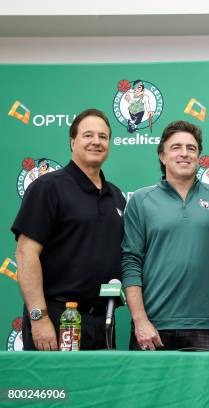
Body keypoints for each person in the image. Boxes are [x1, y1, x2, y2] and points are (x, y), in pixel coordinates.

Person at [122, 120, 209, 351]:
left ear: (199, 156)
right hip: (153, 327)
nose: (184, 154)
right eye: (176, 147)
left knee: (202, 389)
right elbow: (131, 263)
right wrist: (140, 321)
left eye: (191, 148)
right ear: (162, 156)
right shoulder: (141, 200)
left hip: (206, 326)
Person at [12, 108, 125, 351]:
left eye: (103, 136)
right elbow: (25, 254)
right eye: (88, 135)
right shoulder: (47, 187)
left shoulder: (116, 196)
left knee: (99, 389)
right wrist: (39, 318)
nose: (96, 141)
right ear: (72, 141)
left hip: (102, 321)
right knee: (55, 388)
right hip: (57, 317)